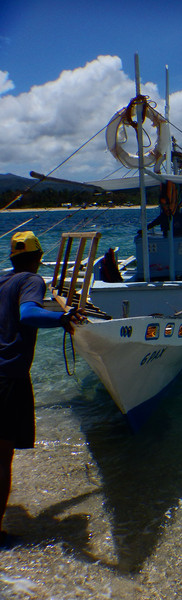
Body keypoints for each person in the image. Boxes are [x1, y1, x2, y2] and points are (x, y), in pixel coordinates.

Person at [0, 231, 84, 549]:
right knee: (2, 459)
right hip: (9, 377)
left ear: (12, 257)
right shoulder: (32, 281)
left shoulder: (3, 282)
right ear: (36, 258)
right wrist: (62, 317)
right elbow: (29, 314)